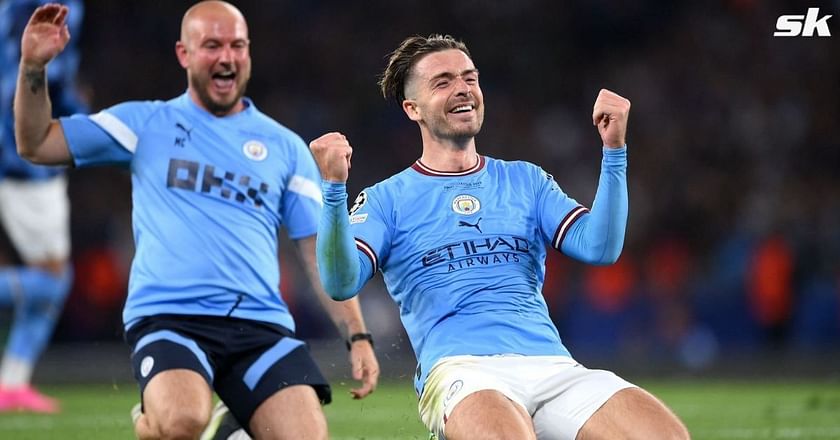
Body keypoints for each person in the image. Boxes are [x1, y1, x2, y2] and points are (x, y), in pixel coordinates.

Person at [14, 2, 379, 439]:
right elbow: (37, 143)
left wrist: (358, 337)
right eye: (211, 45)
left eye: (236, 45)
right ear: (184, 54)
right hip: (171, 319)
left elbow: (317, 252)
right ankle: (154, 423)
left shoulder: (285, 147)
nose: (226, 56)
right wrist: (33, 68)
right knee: (182, 422)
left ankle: (230, 428)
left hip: (259, 327)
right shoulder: (145, 123)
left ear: (247, 53)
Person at [310, 34, 690, 439]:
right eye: (443, 82)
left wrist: (614, 151)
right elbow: (340, 282)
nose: (463, 89)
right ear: (412, 108)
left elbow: (600, 247)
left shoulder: (525, 180)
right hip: (462, 370)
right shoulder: (387, 199)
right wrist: (334, 190)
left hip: (553, 366)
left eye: (469, 78)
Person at [0, 0, 84, 414]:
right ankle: (12, 382)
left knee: (49, 277)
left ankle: (12, 383)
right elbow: (38, 74)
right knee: (52, 278)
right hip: (20, 160)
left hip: (18, 152)